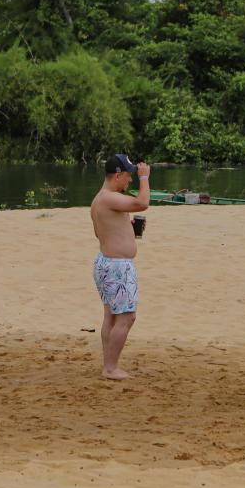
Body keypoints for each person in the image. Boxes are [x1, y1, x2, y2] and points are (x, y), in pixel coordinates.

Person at [90, 154, 151, 380]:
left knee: (112, 316)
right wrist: (145, 178)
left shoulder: (100, 200)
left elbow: (101, 231)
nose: (131, 181)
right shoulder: (108, 197)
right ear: (117, 175)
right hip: (117, 266)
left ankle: (109, 363)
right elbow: (142, 203)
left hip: (107, 262)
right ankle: (110, 367)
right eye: (129, 176)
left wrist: (127, 225)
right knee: (127, 317)